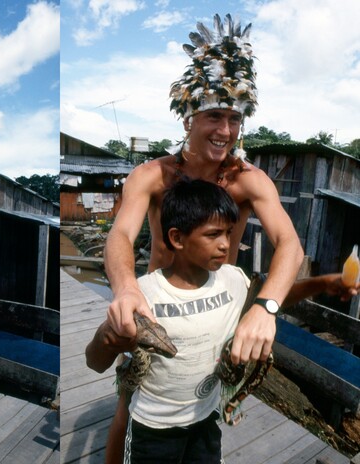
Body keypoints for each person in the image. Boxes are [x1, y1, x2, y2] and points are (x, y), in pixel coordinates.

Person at [100, 14, 303, 463]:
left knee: (206, 408)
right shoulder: (152, 176)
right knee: (126, 409)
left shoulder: (247, 179)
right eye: (215, 116)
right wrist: (127, 288)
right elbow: (120, 235)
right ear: (189, 115)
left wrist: (264, 308)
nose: (225, 131)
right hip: (157, 314)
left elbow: (290, 244)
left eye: (234, 118)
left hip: (218, 314)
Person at [87, 178, 358, 463]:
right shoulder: (144, 293)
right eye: (213, 234)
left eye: (228, 233)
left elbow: (271, 300)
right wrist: (109, 335)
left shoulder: (232, 279)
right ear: (177, 238)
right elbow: (95, 362)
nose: (225, 245)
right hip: (153, 430)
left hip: (206, 420)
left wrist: (322, 283)